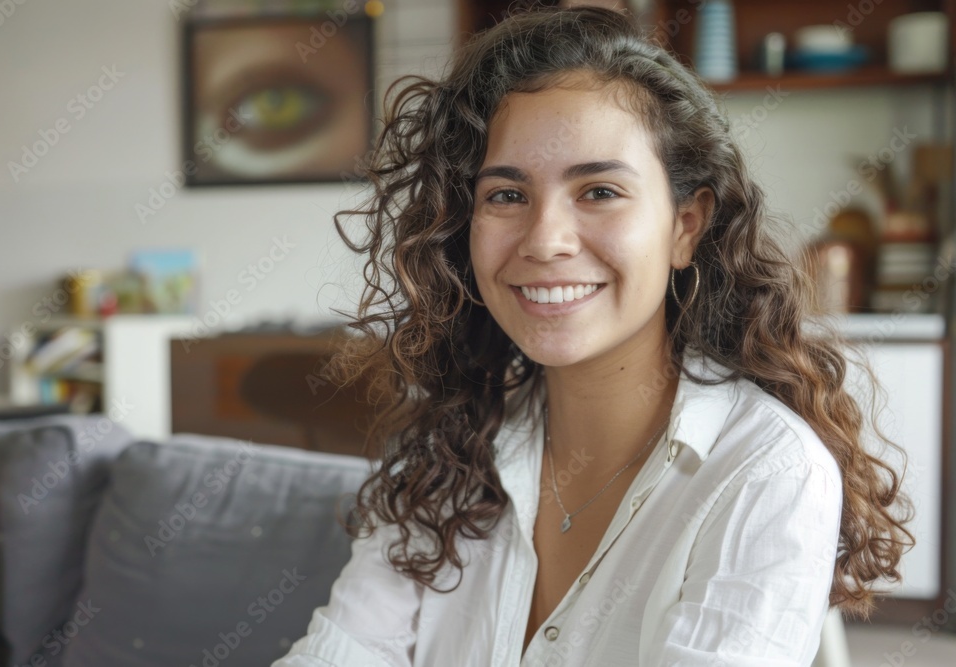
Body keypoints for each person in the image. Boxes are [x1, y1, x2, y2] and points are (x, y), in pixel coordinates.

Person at [272, 5, 914, 666]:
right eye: (506, 195)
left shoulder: (764, 472)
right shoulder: (441, 455)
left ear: (685, 227)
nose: (546, 240)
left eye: (600, 191)